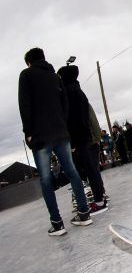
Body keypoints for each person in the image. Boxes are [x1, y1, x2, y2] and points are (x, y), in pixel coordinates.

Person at [18, 48, 93, 235]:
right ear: (43, 59)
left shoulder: (26, 75)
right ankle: (84, 214)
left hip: (40, 136)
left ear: (29, 62)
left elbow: (24, 103)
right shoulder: (55, 77)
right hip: (61, 134)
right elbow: (65, 103)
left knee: (45, 180)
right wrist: (62, 122)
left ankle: (57, 224)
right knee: (72, 172)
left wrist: (28, 131)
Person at [57, 64, 109, 215]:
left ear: (64, 77)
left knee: (89, 170)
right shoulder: (78, 90)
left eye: (60, 77)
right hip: (89, 137)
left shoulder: (70, 92)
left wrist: (73, 142)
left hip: (82, 139)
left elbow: (74, 120)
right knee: (92, 170)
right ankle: (101, 196)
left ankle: (99, 201)